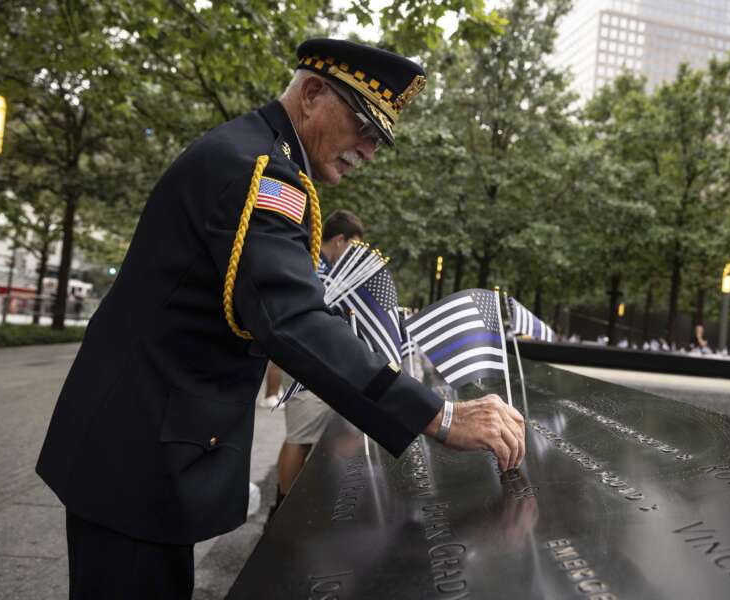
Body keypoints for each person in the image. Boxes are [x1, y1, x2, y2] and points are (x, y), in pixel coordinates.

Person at [36, 38, 525, 599]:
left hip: (139, 437)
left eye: (379, 142)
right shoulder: (261, 173)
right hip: (138, 451)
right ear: (313, 93)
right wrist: (437, 414)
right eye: (364, 128)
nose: (368, 151)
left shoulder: (260, 155)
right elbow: (292, 320)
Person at [270, 209, 365, 516]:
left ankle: (286, 506)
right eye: (354, 246)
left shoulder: (320, 264)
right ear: (339, 240)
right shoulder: (313, 265)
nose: (355, 255)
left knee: (304, 437)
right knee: (299, 437)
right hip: (302, 361)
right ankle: (282, 510)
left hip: (313, 362)